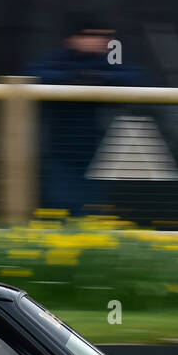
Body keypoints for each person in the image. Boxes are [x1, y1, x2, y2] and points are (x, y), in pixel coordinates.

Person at [27, 15, 146, 215]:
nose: (102, 40)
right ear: (73, 39)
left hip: (102, 154)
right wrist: (75, 78)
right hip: (60, 154)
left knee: (94, 213)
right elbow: (33, 75)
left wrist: (100, 78)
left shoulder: (111, 62)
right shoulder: (56, 59)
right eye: (92, 35)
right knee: (61, 210)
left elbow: (137, 79)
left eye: (106, 36)